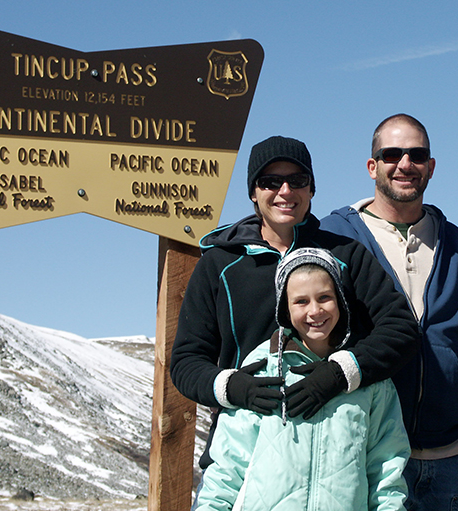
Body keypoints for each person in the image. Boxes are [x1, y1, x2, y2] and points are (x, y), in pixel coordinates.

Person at [171, 135, 419, 468]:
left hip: (334, 454)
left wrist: (337, 374)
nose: (285, 191)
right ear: (253, 193)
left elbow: (402, 330)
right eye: (270, 182)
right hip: (244, 456)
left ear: (312, 190)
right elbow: (186, 362)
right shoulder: (219, 264)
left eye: (298, 180)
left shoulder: (345, 255)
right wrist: (235, 387)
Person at [320, 114, 458, 511]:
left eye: (417, 154)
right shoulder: (335, 237)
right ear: (373, 166)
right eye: (392, 154)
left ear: (431, 167)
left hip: (453, 459)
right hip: (367, 458)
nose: (405, 164)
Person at [194, 247, 411, 510]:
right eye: (301, 301)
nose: (315, 311)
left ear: (340, 300)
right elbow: (228, 467)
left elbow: (386, 472)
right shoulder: (262, 369)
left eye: (324, 297)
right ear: (284, 308)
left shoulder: (368, 378)